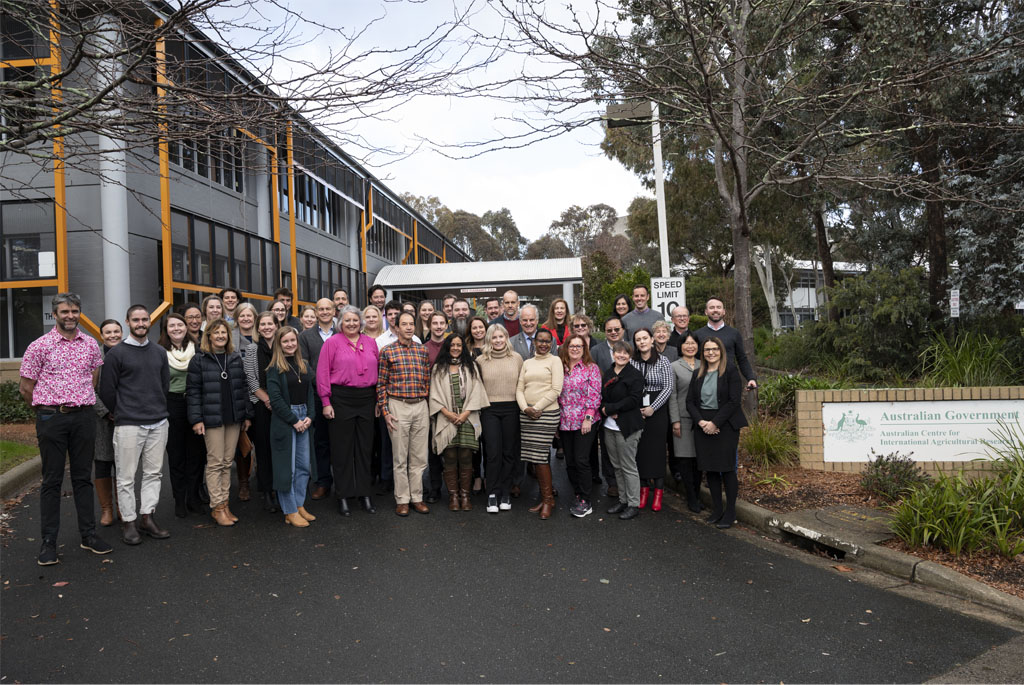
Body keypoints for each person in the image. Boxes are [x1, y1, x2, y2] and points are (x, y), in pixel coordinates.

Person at [20, 292, 112, 564]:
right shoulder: (39, 346)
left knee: (83, 477)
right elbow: (26, 388)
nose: (70, 316)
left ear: (79, 313)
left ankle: (89, 535)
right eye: (65, 312)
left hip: (83, 418)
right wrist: (47, 410)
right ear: (55, 314)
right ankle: (48, 542)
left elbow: (93, 379)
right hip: (52, 419)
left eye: (74, 311)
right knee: (52, 480)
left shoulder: (91, 345)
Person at [98, 304, 171, 545]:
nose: (141, 323)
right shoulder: (117, 353)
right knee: (126, 476)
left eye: (144, 319)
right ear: (128, 322)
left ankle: (147, 517)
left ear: (149, 322)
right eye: (135, 320)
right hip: (129, 423)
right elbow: (107, 390)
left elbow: (163, 385)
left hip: (158, 422)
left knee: (153, 473)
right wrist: (121, 412)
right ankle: (128, 521)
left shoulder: (159, 352)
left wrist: (157, 410)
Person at [186, 319, 252, 526]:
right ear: (209, 336)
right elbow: (193, 392)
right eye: (217, 333)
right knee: (215, 463)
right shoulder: (199, 360)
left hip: (233, 417)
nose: (221, 336)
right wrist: (196, 419)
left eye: (224, 332)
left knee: (226, 462)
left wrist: (246, 415)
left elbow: (243, 388)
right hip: (212, 418)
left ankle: (225, 504)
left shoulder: (234, 358)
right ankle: (217, 507)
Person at [319, 305, 379, 516]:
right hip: (341, 398)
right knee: (342, 449)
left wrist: (378, 401)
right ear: (340, 323)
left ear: (360, 322)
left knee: (364, 449)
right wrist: (326, 402)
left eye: (355, 320)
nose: (352, 324)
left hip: (366, 399)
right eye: (347, 320)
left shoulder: (370, 343)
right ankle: (343, 495)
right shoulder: (332, 343)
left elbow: (379, 373)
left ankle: (364, 494)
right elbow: (323, 373)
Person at [686, 336, 748, 528]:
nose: (711, 353)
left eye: (714, 349)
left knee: (727, 469)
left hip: (726, 425)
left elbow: (733, 401)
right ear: (702, 353)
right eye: (707, 350)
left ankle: (730, 512)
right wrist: (701, 421)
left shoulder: (730, 371)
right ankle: (717, 510)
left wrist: (715, 423)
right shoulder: (698, 373)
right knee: (710, 469)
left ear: (721, 351)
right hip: (703, 425)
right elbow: (690, 402)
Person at [377, 311, 431, 516]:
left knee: (419, 457)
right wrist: (385, 411)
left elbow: (427, 379)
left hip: (420, 405)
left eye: (411, 324)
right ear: (397, 327)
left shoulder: (422, 351)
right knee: (400, 457)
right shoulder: (387, 352)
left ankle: (417, 497)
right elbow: (381, 384)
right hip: (398, 405)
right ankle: (402, 499)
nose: (408, 327)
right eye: (404, 324)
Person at [428, 333, 489, 512]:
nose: (455, 348)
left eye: (459, 345)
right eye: (452, 345)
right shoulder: (439, 368)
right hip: (446, 419)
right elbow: (434, 395)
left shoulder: (472, 367)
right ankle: (453, 496)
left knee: (465, 456)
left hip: (468, 418)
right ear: (447, 347)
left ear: (463, 348)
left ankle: (465, 495)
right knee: (450, 457)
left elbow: (478, 392)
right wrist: (448, 414)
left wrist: (464, 414)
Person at [266, 326, 317, 528]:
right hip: (286, 421)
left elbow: (310, 393)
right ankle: (289, 510)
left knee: (304, 467)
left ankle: (299, 504)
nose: (290, 344)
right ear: (279, 344)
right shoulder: (274, 369)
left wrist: (310, 417)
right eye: (285, 341)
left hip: (304, 417)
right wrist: (294, 420)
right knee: (288, 469)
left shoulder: (303, 364)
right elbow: (276, 400)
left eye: (292, 341)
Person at [160, 312, 206, 518]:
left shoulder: (198, 349)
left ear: (187, 327)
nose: (177, 328)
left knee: (196, 454)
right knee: (176, 455)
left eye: (180, 325)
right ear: (166, 329)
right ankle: (179, 499)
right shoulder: (159, 351)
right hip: (172, 404)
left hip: (195, 403)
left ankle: (194, 497)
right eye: (172, 326)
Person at [516, 328, 564, 519]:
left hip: (546, 413)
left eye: (547, 341)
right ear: (534, 342)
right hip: (526, 414)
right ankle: (546, 498)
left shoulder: (555, 361)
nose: (543, 344)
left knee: (541, 456)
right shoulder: (527, 362)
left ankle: (548, 500)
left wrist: (536, 407)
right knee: (534, 458)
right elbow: (519, 388)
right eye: (540, 341)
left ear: (551, 344)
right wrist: (524, 408)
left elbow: (556, 389)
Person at [476, 324, 523, 514]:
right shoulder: (480, 360)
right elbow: (477, 388)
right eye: (494, 338)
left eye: (501, 337)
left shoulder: (517, 358)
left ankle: (505, 492)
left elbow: (522, 385)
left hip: (512, 408)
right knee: (493, 453)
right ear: (489, 339)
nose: (497, 341)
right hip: (489, 410)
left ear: (506, 338)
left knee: (509, 453)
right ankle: (492, 493)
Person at [557, 334, 601, 518]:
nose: (575, 349)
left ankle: (585, 499)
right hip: (565, 421)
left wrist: (588, 418)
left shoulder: (591, 369)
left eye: (579, 346)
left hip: (585, 421)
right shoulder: (560, 368)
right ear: (566, 348)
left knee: (582, 460)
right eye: (572, 346)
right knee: (570, 461)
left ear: (584, 349)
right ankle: (577, 492)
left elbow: (595, 395)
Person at [600, 340, 645, 521]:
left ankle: (633, 504)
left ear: (630, 356)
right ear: (613, 353)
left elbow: (634, 400)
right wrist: (605, 408)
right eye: (618, 352)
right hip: (609, 426)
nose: (621, 355)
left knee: (628, 466)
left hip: (627, 426)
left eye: (625, 353)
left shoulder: (635, 375)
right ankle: (623, 500)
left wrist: (611, 409)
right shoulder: (609, 372)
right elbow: (601, 396)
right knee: (616, 466)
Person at [630, 328, 674, 512]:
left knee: (656, 453)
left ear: (652, 340)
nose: (642, 342)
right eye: (638, 339)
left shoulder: (663, 361)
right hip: (637, 409)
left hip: (657, 411)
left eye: (645, 338)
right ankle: (643, 491)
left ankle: (658, 493)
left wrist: (652, 408)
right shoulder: (632, 362)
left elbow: (668, 387)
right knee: (640, 452)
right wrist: (637, 409)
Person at [300, 298, 336, 501]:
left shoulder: (343, 333)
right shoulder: (305, 336)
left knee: (340, 441)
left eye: (327, 309)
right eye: (320, 309)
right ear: (315, 312)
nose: (324, 312)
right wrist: (322, 383)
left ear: (333, 311)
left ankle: (343, 481)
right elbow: (304, 364)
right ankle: (323, 482)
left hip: (341, 394)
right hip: (316, 394)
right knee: (321, 440)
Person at [244, 310, 280, 512]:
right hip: (260, 405)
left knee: (279, 448)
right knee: (264, 449)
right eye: (263, 324)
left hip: (281, 404)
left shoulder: (283, 346)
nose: (266, 327)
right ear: (258, 328)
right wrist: (267, 400)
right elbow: (250, 379)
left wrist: (276, 401)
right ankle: (266, 491)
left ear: (276, 325)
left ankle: (280, 488)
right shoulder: (251, 349)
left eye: (270, 324)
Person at [588, 315, 625, 498]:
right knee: (608, 444)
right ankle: (611, 481)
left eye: (616, 329)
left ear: (622, 330)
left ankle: (628, 480)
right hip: (603, 405)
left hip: (627, 406)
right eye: (609, 330)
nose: (613, 333)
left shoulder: (629, 349)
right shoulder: (596, 350)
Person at [93, 319, 122, 527]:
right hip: (101, 421)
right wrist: (105, 411)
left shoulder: (129, 354)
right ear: (101, 335)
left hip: (127, 418)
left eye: (116, 331)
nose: (112, 335)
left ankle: (123, 506)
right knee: (103, 463)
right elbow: (88, 388)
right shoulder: (95, 357)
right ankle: (107, 509)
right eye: (108, 332)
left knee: (124, 465)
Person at [668, 333, 702, 512]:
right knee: (685, 461)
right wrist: (675, 421)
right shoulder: (674, 366)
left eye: (693, 343)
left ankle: (697, 494)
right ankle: (691, 498)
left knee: (699, 461)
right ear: (680, 347)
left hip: (702, 420)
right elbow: (672, 395)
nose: (690, 346)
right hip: (683, 418)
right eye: (686, 343)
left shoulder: (704, 364)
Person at [694, 297, 758, 390]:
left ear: (723, 311)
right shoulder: (697, 334)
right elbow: (695, 360)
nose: (715, 310)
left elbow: (742, 358)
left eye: (718, 307)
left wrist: (750, 378)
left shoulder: (734, 333)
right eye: (711, 307)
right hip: (706, 381)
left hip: (730, 380)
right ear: (706, 312)